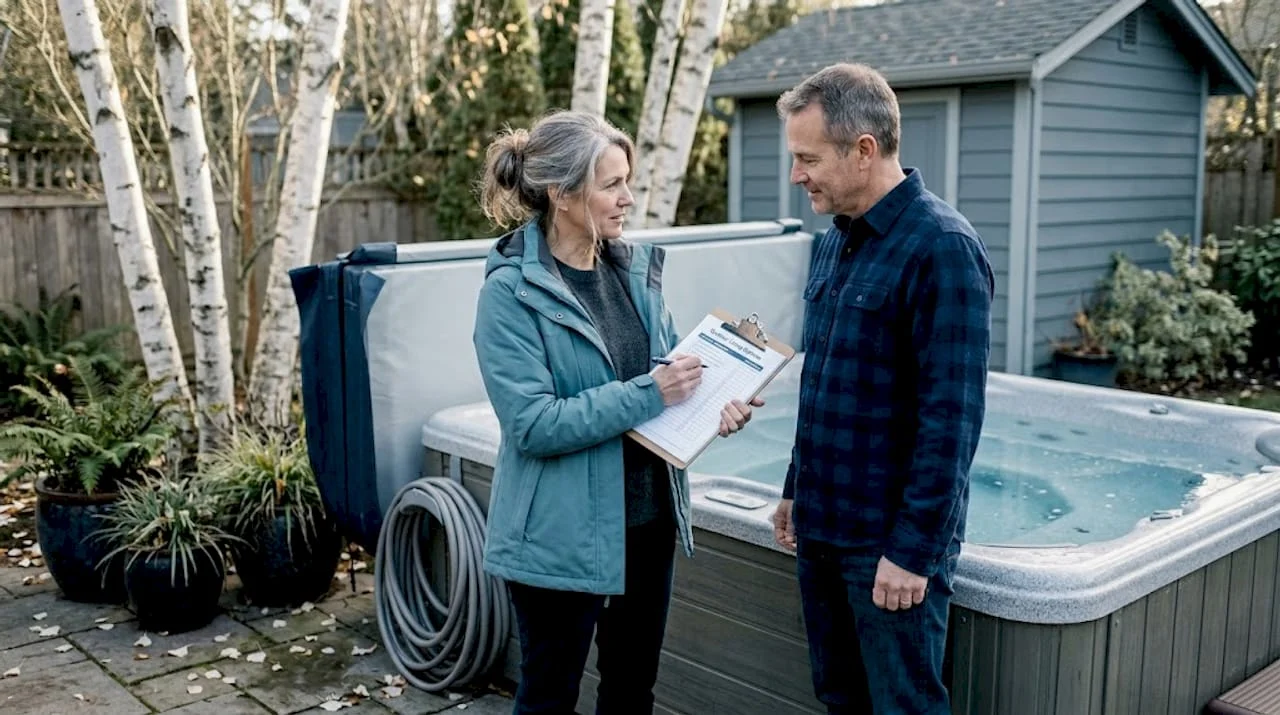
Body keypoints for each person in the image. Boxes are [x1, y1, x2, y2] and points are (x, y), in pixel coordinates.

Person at [471, 109, 762, 715]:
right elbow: (534, 423)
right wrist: (651, 392)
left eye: (627, 180)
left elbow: (668, 378)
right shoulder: (510, 292)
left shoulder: (634, 274)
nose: (628, 197)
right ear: (562, 194)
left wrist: (716, 405)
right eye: (612, 184)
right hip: (560, 536)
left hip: (647, 525)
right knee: (548, 698)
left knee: (632, 692)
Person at [769, 63, 994, 714]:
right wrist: (794, 484)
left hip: (886, 548)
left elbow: (951, 420)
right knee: (840, 699)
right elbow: (827, 379)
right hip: (823, 528)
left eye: (807, 158)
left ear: (863, 149)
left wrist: (911, 551)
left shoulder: (943, 247)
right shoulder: (832, 244)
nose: (796, 175)